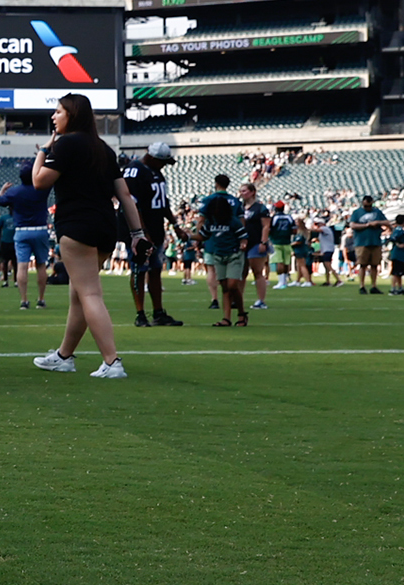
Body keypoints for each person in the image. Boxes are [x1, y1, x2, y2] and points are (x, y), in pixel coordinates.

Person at [29, 94, 146, 379]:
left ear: (72, 115)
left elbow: (38, 181)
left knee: (90, 293)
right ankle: (64, 356)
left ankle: (111, 361)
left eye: (58, 112)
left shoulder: (66, 144)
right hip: (105, 227)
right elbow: (125, 195)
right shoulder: (103, 149)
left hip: (77, 226)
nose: (54, 117)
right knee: (79, 295)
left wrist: (44, 149)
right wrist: (137, 233)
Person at [121, 141, 184, 327]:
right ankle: (140, 314)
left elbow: (163, 203)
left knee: (156, 269)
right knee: (139, 270)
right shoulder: (134, 171)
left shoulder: (157, 173)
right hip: (139, 231)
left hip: (156, 229)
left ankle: (158, 313)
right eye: (162, 161)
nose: (164, 165)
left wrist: (175, 225)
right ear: (152, 157)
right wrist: (141, 232)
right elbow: (132, 204)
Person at [0, 164, 52, 310]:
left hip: (22, 230)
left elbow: (0, 200)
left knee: (22, 266)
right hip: (40, 229)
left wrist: (3, 190)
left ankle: (24, 300)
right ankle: (41, 299)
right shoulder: (41, 189)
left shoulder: (15, 191)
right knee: (41, 264)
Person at [198, 175, 247, 325]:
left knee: (231, 285)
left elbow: (201, 223)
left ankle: (240, 312)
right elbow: (202, 234)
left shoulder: (210, 203)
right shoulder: (235, 202)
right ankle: (227, 317)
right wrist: (187, 236)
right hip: (219, 252)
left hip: (231, 252)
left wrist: (242, 243)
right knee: (225, 286)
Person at [239, 183, 272, 310]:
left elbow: (266, 226)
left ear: (252, 192)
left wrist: (263, 242)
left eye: (245, 191)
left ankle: (261, 300)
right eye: (241, 191)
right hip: (242, 243)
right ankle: (238, 299)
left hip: (255, 242)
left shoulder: (260, 208)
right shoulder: (240, 207)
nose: (242, 193)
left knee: (257, 272)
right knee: (241, 272)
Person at [348, 195, 390, 295]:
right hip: (362, 242)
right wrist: (367, 225)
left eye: (369, 206)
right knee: (362, 265)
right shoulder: (357, 212)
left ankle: (374, 285)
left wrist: (378, 222)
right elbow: (352, 225)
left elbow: (387, 222)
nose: (368, 208)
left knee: (374, 265)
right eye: (366, 206)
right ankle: (362, 286)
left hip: (375, 241)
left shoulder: (377, 212)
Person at [267, 201, 298, 292]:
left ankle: (281, 282)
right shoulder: (289, 217)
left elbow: (269, 229)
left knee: (279, 262)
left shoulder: (274, 218)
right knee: (286, 262)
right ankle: (284, 281)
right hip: (287, 241)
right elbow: (294, 230)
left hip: (276, 242)